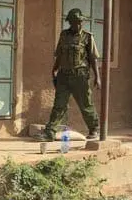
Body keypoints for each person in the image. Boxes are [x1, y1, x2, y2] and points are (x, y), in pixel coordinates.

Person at [37, 8, 101, 141]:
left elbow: (93, 58)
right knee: (59, 105)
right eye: (74, 22)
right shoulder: (64, 35)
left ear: (82, 22)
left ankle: (94, 129)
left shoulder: (88, 37)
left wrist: (97, 77)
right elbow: (59, 55)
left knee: (86, 104)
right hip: (64, 76)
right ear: (70, 23)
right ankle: (50, 132)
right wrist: (54, 70)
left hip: (80, 76)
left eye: (79, 22)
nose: (77, 25)